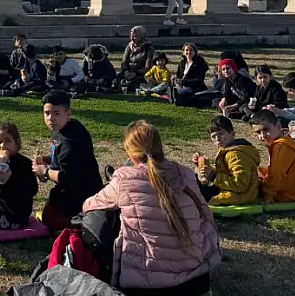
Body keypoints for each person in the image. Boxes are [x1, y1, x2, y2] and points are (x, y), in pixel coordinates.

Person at [82, 120, 220, 296]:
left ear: (130, 152)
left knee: (100, 217)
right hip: (195, 276)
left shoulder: (125, 178)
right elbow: (205, 213)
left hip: (145, 283)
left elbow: (89, 205)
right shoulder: (184, 173)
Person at [34, 90, 103, 231]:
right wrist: (47, 159)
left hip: (81, 191)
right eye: (47, 113)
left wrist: (45, 171)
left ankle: (82, 222)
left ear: (68, 114)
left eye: (56, 113)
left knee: (48, 218)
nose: (51, 118)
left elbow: (66, 177)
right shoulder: (65, 127)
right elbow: (62, 158)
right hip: (79, 185)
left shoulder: (71, 142)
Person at [194, 115, 261, 206]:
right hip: (228, 190)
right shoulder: (225, 150)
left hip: (240, 195)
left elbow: (240, 185)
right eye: (214, 137)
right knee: (191, 179)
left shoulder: (236, 155)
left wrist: (213, 176)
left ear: (232, 134)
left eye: (221, 134)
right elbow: (225, 173)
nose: (217, 139)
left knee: (194, 192)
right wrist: (201, 166)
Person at [250, 110, 295, 203]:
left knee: (249, 185)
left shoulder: (281, 146)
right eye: (258, 132)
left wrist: (268, 195)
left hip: (290, 195)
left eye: (266, 129)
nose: (262, 136)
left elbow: (277, 174)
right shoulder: (287, 141)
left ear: (278, 126)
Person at [116, 26, 154, 93]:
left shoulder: (148, 48)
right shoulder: (129, 46)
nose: (132, 39)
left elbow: (148, 67)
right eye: (131, 36)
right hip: (128, 72)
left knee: (136, 83)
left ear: (142, 36)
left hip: (140, 74)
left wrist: (136, 73)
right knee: (118, 77)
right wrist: (126, 71)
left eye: (135, 36)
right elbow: (124, 61)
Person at [172, 43, 212, 107]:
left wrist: (184, 82)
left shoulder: (199, 63)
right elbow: (178, 75)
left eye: (191, 50)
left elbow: (199, 80)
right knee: (176, 91)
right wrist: (176, 80)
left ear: (195, 52)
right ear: (183, 52)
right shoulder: (182, 63)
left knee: (179, 94)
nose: (189, 52)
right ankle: (175, 95)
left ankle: (176, 96)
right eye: (187, 50)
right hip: (182, 86)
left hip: (195, 88)